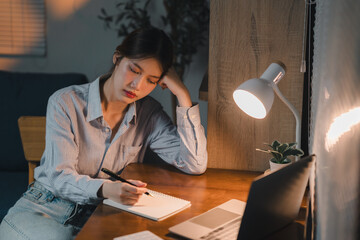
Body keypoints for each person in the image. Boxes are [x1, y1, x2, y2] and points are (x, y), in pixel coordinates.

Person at [0, 27, 207, 240]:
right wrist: (107, 189)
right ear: (117, 58)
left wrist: (182, 94)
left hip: (104, 213)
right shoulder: (65, 102)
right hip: (47, 207)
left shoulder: (149, 114)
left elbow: (194, 163)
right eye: (134, 70)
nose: (137, 85)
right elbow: (60, 177)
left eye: (151, 80)